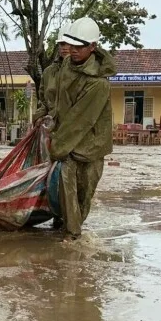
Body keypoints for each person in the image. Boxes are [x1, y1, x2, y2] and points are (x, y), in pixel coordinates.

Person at [50, 17, 115, 241]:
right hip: (67, 142)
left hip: (91, 146)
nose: (73, 51)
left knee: (83, 196)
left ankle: (73, 232)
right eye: (71, 46)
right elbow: (58, 103)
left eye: (79, 47)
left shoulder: (99, 84)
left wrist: (56, 147)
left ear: (93, 47)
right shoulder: (66, 67)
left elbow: (80, 121)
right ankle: (71, 235)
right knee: (66, 191)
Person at [35, 30, 72, 123]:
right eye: (62, 44)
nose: (65, 48)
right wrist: (38, 117)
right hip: (53, 126)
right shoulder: (48, 72)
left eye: (69, 44)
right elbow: (44, 102)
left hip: (75, 127)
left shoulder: (83, 72)